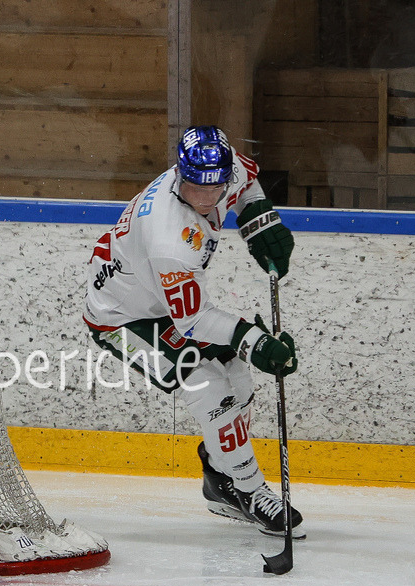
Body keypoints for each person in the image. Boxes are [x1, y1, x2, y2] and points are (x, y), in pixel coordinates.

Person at [84, 125, 303, 538]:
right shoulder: (170, 238)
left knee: (237, 376)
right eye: (194, 187)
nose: (206, 198)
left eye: (215, 187)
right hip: (121, 318)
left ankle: (220, 478)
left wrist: (259, 219)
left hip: (158, 299)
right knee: (206, 384)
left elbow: (248, 182)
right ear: (178, 175)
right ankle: (250, 490)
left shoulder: (219, 166)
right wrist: (256, 342)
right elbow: (192, 320)